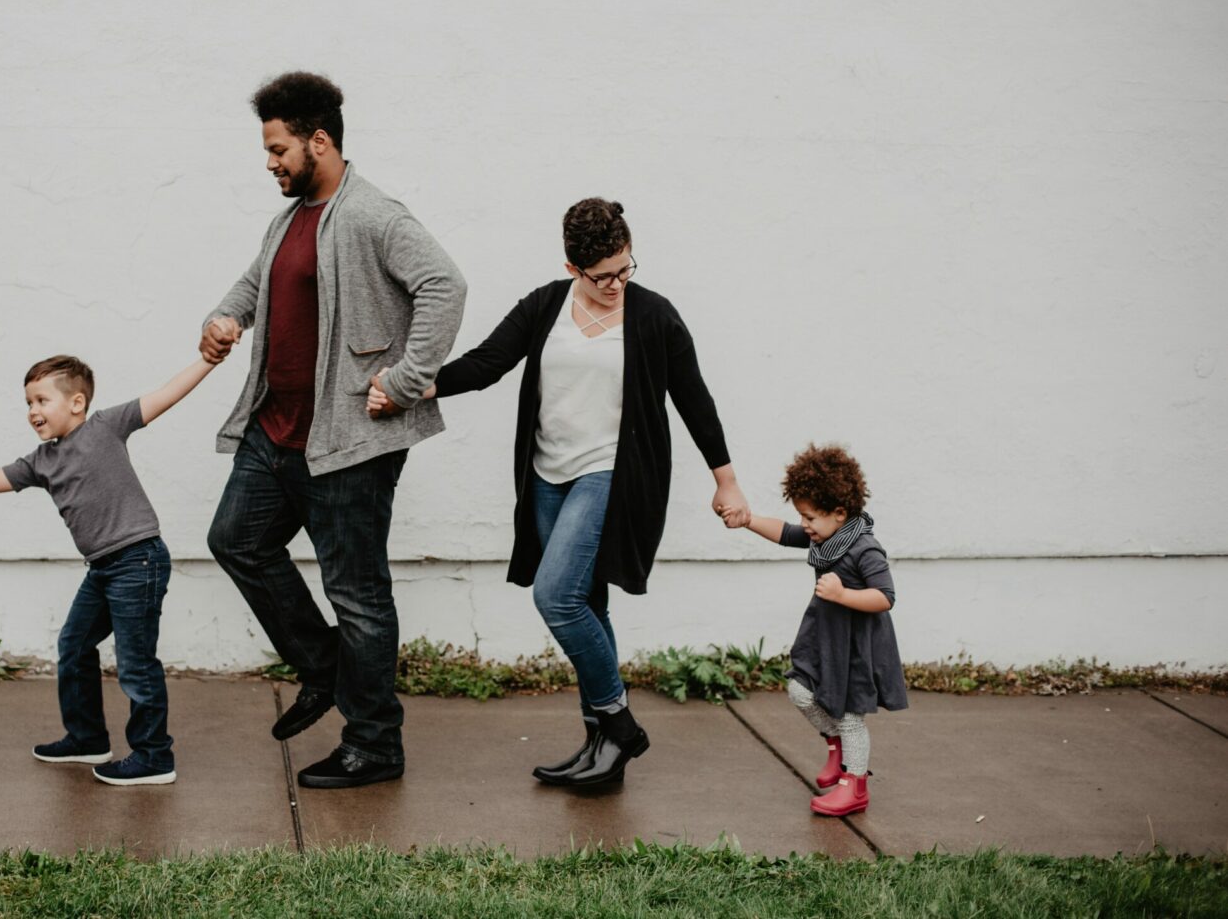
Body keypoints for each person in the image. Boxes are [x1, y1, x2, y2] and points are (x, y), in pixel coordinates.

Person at [368, 198, 750, 787]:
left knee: (557, 597)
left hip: (610, 474)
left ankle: (619, 725)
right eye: (603, 276)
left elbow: (694, 399)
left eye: (626, 269)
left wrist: (725, 480)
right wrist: (411, 388)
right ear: (574, 268)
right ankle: (601, 750)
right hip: (547, 476)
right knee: (588, 604)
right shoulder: (547, 305)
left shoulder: (654, 317)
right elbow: (488, 363)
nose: (617, 284)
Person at [201, 72, 465, 789]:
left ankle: (375, 743)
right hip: (276, 432)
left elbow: (446, 285)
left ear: (320, 141)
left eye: (279, 147)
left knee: (358, 594)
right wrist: (224, 318)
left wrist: (406, 380)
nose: (270, 162)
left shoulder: (374, 215)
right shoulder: (288, 219)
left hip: (346, 442)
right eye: (267, 148)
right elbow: (257, 283)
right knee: (236, 541)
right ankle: (324, 671)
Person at [0, 353, 216, 786]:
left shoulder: (107, 426)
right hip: (102, 568)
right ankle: (87, 738)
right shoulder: (41, 461)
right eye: (28, 403)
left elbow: (166, 394)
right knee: (74, 644)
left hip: (138, 561)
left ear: (77, 403)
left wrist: (208, 360)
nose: (32, 411)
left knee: (136, 663)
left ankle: (154, 755)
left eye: (42, 401)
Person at [734, 443, 906, 816]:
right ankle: (836, 745)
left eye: (810, 517)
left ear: (840, 512)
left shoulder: (864, 548)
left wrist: (843, 594)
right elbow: (784, 533)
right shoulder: (825, 538)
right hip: (825, 636)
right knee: (799, 689)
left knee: (848, 715)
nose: (805, 525)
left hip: (855, 645)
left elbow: (885, 597)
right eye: (802, 516)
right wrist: (748, 519)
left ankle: (855, 785)